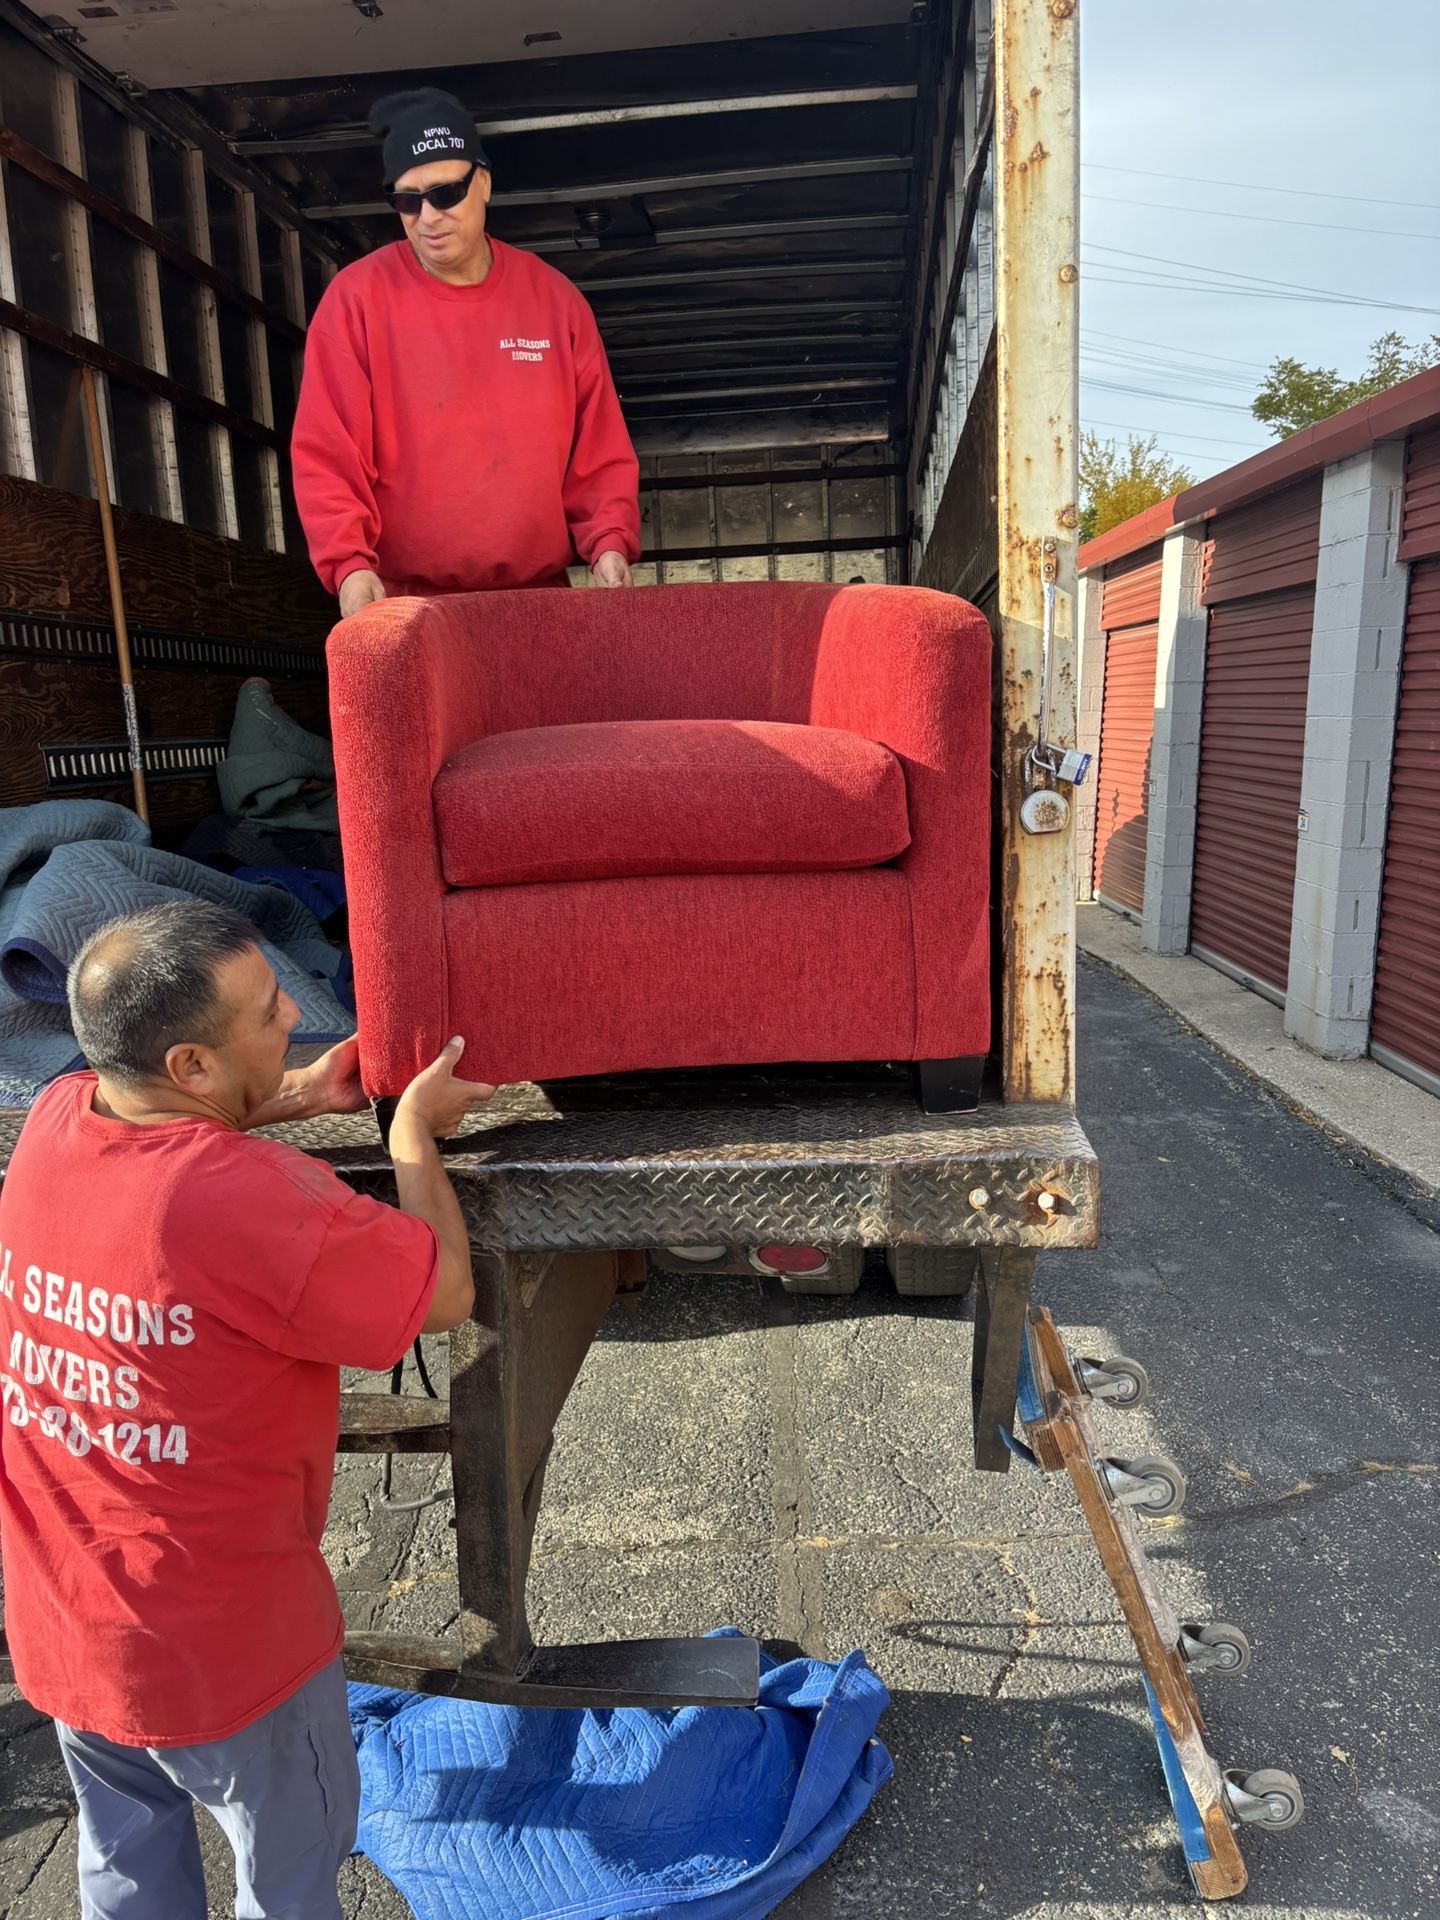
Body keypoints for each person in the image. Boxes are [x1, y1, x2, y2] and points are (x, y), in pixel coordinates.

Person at [0, 901, 493, 1918]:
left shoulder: (51, 1123)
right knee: (288, 1879)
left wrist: (301, 1092)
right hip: (230, 1657)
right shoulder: (260, 1201)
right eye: (270, 1015)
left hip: (66, 1627)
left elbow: (164, 1142)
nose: (292, 1020)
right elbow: (444, 1294)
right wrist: (411, 1137)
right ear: (189, 1065)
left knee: (125, 1869)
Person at [292, 85, 641, 615]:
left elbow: (599, 446)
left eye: (445, 194)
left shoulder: (554, 301)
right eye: (407, 201)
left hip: (539, 602)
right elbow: (327, 452)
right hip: (404, 606)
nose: (428, 216)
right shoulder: (356, 300)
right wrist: (348, 566)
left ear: (484, 184)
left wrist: (609, 542)